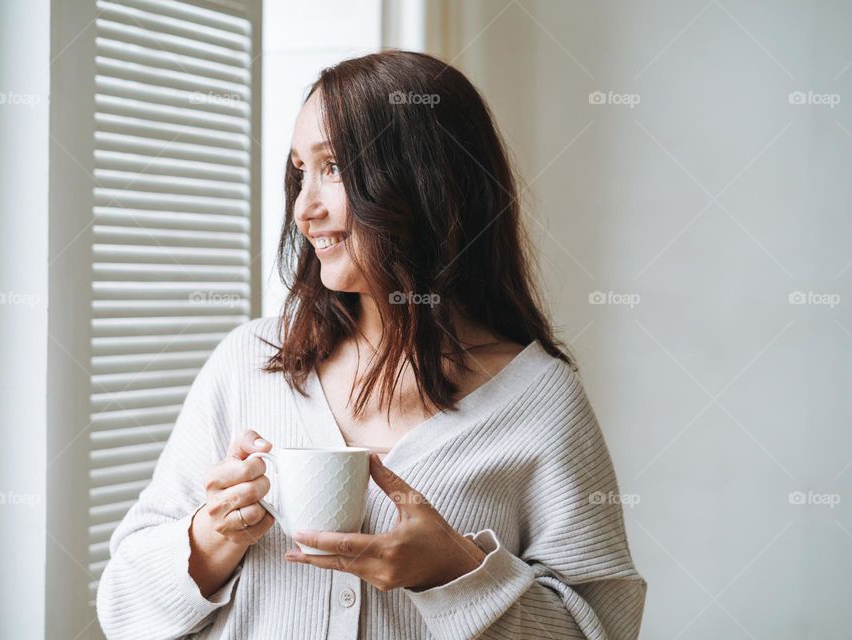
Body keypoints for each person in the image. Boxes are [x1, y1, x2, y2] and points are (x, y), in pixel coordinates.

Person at [97, 49, 647, 640]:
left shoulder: (541, 400)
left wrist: (455, 572)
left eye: (333, 167)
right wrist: (212, 537)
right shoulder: (250, 362)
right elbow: (123, 609)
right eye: (299, 171)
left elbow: (601, 628)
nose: (305, 210)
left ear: (428, 180)